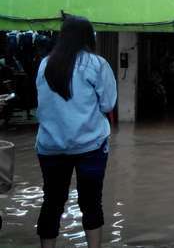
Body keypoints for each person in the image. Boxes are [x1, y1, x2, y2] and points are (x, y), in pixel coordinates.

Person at [35, 16, 117, 248]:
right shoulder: (97, 64)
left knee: (52, 202)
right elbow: (108, 104)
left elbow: (42, 104)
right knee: (91, 203)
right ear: (88, 37)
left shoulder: (44, 64)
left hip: (50, 147)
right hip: (90, 146)